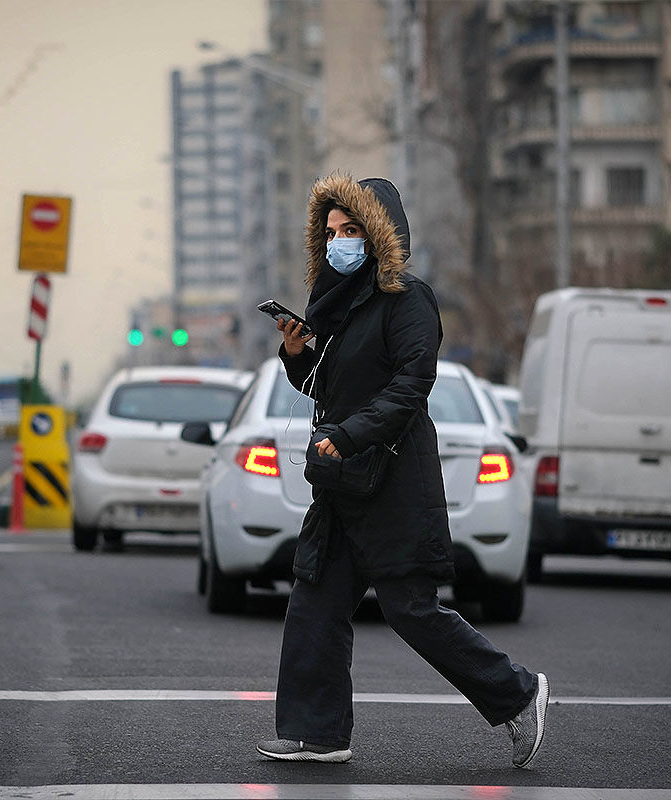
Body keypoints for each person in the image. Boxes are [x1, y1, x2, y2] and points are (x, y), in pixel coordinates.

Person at [256, 174, 548, 767]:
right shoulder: (335, 307)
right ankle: (317, 732)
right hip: (341, 482)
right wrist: (298, 355)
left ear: (380, 233)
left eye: (352, 229)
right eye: (332, 232)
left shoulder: (407, 298)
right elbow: (328, 388)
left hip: (390, 480)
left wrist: (349, 435)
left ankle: (519, 696)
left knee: (411, 609)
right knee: (314, 600)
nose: (339, 241)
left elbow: (412, 384)